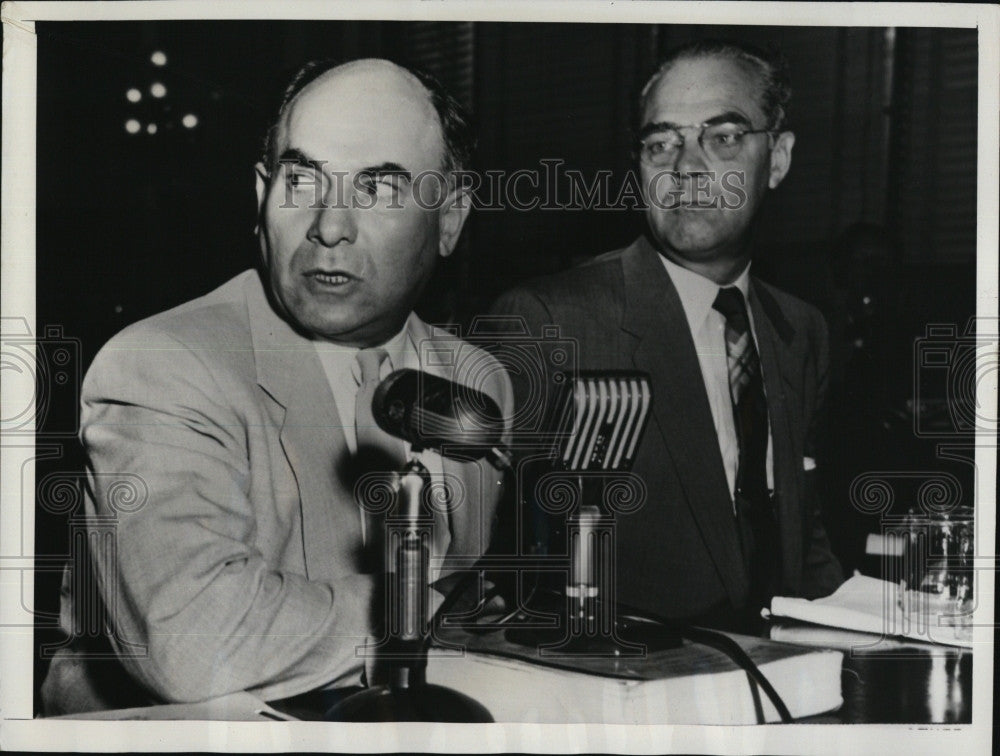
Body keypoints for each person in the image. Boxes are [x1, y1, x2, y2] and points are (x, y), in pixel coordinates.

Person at [42, 58, 512, 714]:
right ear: (261, 197)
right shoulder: (161, 365)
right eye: (301, 180)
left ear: (451, 217)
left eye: (377, 188)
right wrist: (434, 605)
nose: (328, 226)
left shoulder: (473, 380)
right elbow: (197, 639)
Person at [490, 40, 843, 632]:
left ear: (777, 159)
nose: (685, 167)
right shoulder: (548, 322)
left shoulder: (801, 332)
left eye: (723, 137)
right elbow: (505, 574)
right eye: (661, 143)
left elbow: (801, 543)